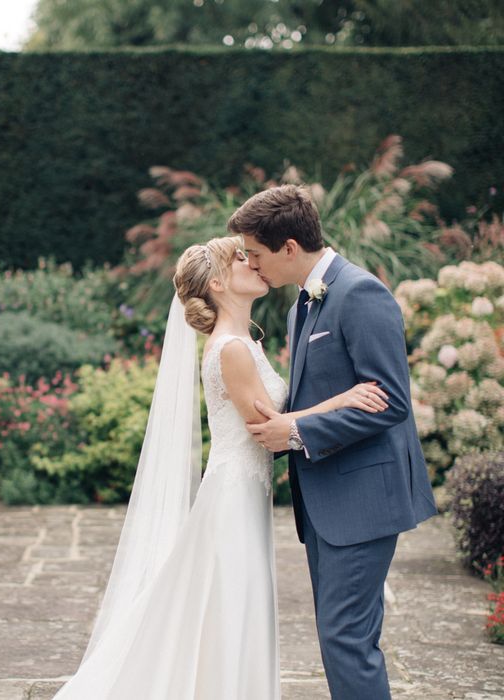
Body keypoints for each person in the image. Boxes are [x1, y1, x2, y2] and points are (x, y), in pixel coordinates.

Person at [53, 235, 391, 699]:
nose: (253, 262)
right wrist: (345, 399)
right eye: (240, 258)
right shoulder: (230, 348)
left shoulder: (242, 342)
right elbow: (267, 427)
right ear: (217, 282)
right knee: (232, 603)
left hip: (245, 492)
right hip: (233, 497)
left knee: (228, 605)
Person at [229, 185, 437, 700]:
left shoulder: (360, 293)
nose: (254, 266)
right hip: (325, 501)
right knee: (339, 638)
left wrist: (296, 431)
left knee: (346, 640)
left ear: (290, 248)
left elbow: (390, 401)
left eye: (256, 254)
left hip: (363, 499)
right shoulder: (303, 306)